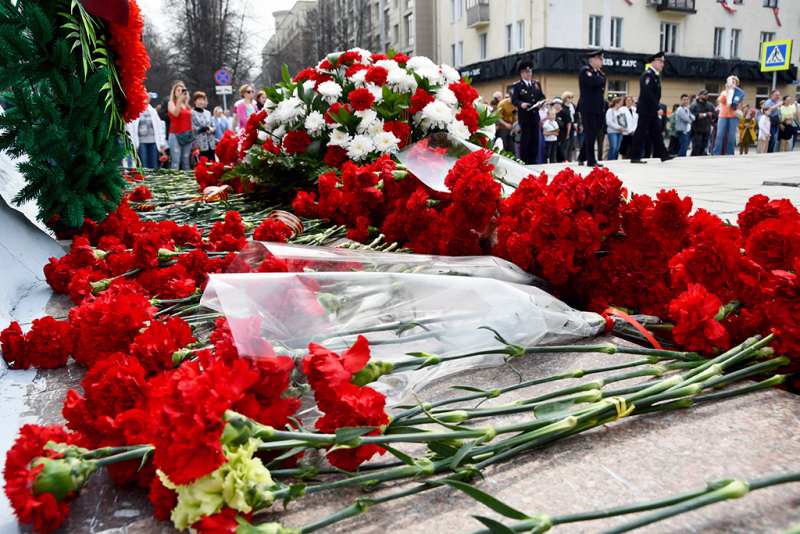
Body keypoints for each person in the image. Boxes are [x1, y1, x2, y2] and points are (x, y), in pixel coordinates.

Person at [631, 53, 672, 164]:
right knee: (640, 132)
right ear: (653, 63)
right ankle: (634, 156)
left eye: (663, 63)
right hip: (646, 109)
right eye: (660, 62)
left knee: (656, 132)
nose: (662, 65)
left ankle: (663, 154)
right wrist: (656, 107)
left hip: (651, 110)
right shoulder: (648, 75)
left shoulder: (654, 75)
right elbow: (648, 93)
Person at [511, 60, 546, 164]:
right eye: (526, 72)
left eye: (530, 71)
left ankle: (533, 160)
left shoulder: (536, 84)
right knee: (526, 140)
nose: (529, 73)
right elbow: (514, 99)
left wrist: (541, 102)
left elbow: (542, 96)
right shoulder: (517, 86)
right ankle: (525, 161)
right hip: (525, 116)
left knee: (535, 140)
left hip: (535, 116)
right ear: (522, 74)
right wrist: (521, 104)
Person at [577, 49, 606, 168]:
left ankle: (582, 157)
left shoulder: (598, 72)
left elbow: (601, 81)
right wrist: (600, 79)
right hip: (588, 108)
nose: (602, 62)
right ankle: (590, 160)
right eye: (600, 59)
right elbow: (594, 82)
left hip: (597, 108)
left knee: (592, 133)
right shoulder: (586, 71)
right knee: (590, 134)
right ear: (593, 60)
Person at [127, 94, 165, 169]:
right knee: (143, 165)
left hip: (153, 141)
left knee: (154, 164)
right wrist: (133, 143)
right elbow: (131, 129)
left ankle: (154, 179)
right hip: (141, 142)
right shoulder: (136, 111)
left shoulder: (153, 111)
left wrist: (162, 142)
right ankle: (145, 180)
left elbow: (159, 127)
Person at [713, 75, 745, 156]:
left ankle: (729, 153)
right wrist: (727, 91)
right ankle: (716, 153)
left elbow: (741, 98)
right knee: (720, 134)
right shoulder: (724, 92)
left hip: (734, 116)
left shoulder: (739, 92)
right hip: (723, 115)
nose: (732, 83)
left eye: (734, 82)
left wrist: (734, 89)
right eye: (730, 82)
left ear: (736, 84)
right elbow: (721, 100)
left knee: (731, 135)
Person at [167, 83, 194, 170]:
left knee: (186, 160)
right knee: (176, 160)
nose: (180, 92)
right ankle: (175, 179)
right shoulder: (171, 103)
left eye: (182, 90)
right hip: (175, 135)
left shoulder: (187, 106)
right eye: (178, 91)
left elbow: (189, 121)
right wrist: (179, 102)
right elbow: (175, 113)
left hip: (187, 135)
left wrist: (192, 135)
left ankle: (186, 180)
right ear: (174, 93)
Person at [689, 89, 716, 156]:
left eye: (707, 95)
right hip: (697, 129)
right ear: (700, 96)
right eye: (704, 94)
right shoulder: (694, 105)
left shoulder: (710, 105)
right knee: (696, 146)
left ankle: (701, 159)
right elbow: (689, 115)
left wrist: (711, 114)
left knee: (704, 146)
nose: (706, 96)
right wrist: (698, 115)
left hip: (707, 129)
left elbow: (715, 114)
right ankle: (694, 159)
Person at [191, 91, 217, 162]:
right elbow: (193, 127)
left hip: (210, 143)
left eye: (203, 99)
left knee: (212, 163)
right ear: (195, 101)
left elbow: (213, 125)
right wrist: (205, 128)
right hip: (200, 144)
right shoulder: (192, 113)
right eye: (199, 100)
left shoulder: (208, 113)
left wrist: (212, 129)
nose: (201, 102)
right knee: (202, 164)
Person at [605, 97, 625, 161]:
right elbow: (609, 122)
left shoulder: (620, 111)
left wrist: (623, 126)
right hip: (612, 131)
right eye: (620, 103)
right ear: (616, 103)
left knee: (617, 148)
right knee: (613, 147)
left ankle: (615, 159)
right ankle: (610, 159)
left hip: (620, 131)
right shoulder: (610, 111)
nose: (621, 105)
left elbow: (622, 120)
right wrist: (618, 127)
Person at [561, 91, 578, 161]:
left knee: (572, 145)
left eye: (572, 97)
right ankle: (565, 159)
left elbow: (576, 115)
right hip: (566, 128)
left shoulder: (573, 106)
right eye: (569, 97)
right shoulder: (563, 107)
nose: (571, 99)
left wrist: (576, 123)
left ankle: (570, 159)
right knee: (566, 145)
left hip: (573, 128)